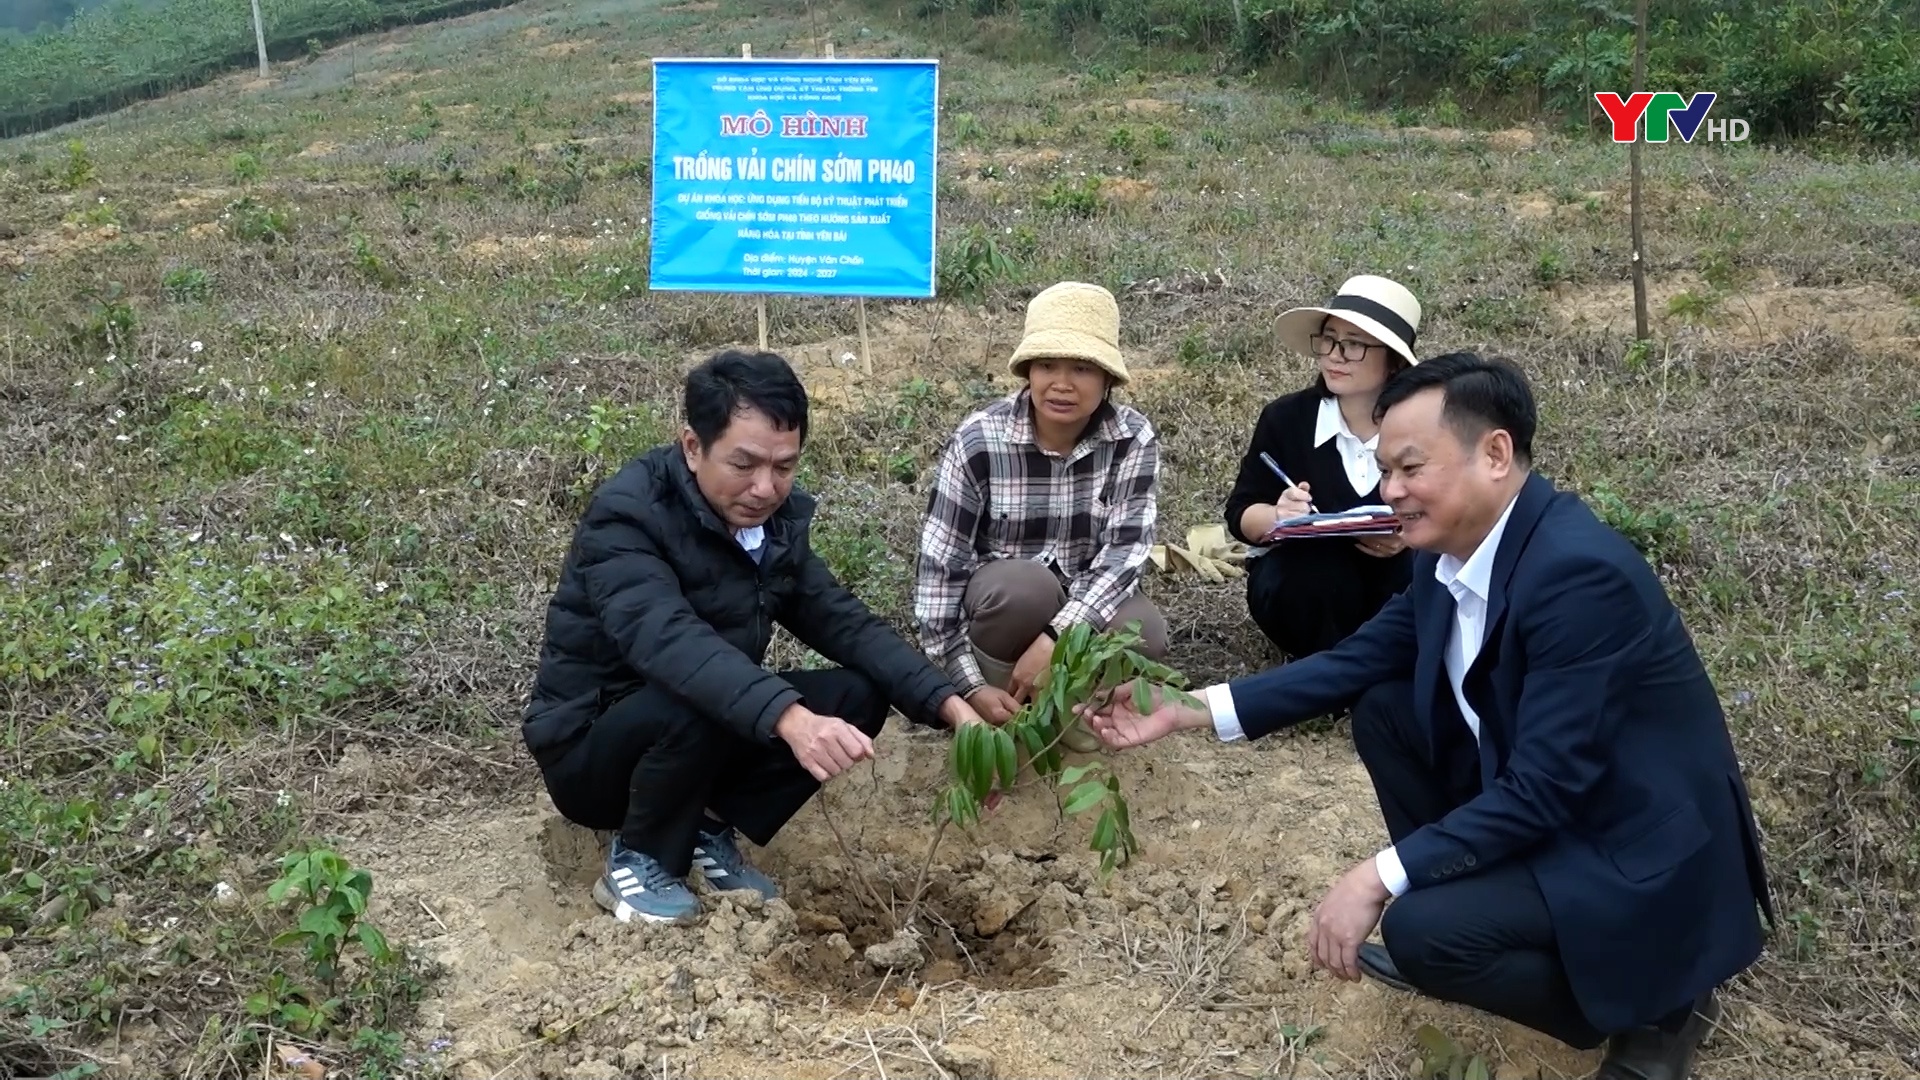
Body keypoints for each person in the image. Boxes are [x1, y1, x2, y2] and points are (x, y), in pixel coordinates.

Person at [1085, 352, 1774, 1080]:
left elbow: (1547, 788)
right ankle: (1500, 921)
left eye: (1411, 468)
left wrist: (1379, 877)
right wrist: (1184, 708)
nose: (1392, 491)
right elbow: (1354, 661)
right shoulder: (1451, 554)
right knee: (1385, 710)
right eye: (1385, 472)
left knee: (1421, 933)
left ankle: (1658, 1002)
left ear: (1495, 454)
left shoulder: (1578, 577)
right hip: (1559, 817)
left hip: (1633, 848)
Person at [521, 349, 987, 925]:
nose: (766, 488)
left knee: (858, 693)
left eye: (784, 467)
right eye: (744, 465)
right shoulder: (627, 518)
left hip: (698, 731)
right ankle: (638, 858)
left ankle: (705, 827)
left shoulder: (770, 527)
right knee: (695, 693)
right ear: (693, 447)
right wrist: (791, 720)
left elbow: (843, 621)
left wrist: (952, 708)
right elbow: (670, 643)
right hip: (595, 754)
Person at [913, 281, 1166, 753]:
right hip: (1004, 612)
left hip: (1082, 608)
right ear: (1027, 370)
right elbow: (940, 569)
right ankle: (1002, 704)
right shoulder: (980, 439)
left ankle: (1076, 711)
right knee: (1024, 589)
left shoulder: (1133, 439)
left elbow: (1125, 556)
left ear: (1107, 378)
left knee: (1143, 630)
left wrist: (1055, 640)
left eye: (1082, 368)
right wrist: (965, 685)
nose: (1062, 383)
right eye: (1047, 365)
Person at [1224, 274, 1421, 659]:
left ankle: (1393, 662)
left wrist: (1409, 536)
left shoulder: (1423, 425)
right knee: (1306, 574)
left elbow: (1460, 511)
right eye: (1329, 340)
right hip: (1306, 590)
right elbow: (1240, 513)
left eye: (1354, 345)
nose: (1335, 355)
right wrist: (1279, 516)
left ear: (1393, 361)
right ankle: (1325, 668)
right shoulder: (1287, 418)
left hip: (1396, 583)